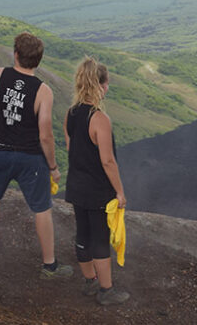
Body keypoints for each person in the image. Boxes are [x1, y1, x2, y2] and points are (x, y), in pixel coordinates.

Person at [0, 32, 73, 279]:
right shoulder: (43, 91)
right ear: (38, 60)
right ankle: (49, 266)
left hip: (0, 152)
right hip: (31, 159)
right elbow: (46, 136)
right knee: (42, 209)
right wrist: (53, 167)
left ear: (16, 54)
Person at [64, 56, 129, 305]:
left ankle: (90, 282)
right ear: (100, 85)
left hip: (77, 186)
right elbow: (107, 161)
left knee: (83, 234)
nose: (108, 87)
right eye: (107, 83)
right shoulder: (99, 119)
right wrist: (120, 192)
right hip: (97, 189)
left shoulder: (71, 114)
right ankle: (106, 291)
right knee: (100, 239)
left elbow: (72, 148)